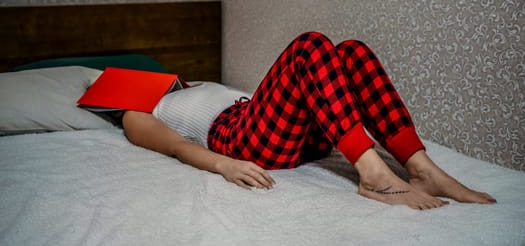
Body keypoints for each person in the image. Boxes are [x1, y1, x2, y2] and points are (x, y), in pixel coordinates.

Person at [122, 31, 496, 210]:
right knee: (309, 46)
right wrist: (225, 165)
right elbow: (176, 147)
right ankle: (374, 176)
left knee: (352, 52)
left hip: (287, 130)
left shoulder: (202, 83)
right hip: (240, 138)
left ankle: (422, 168)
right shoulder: (138, 111)